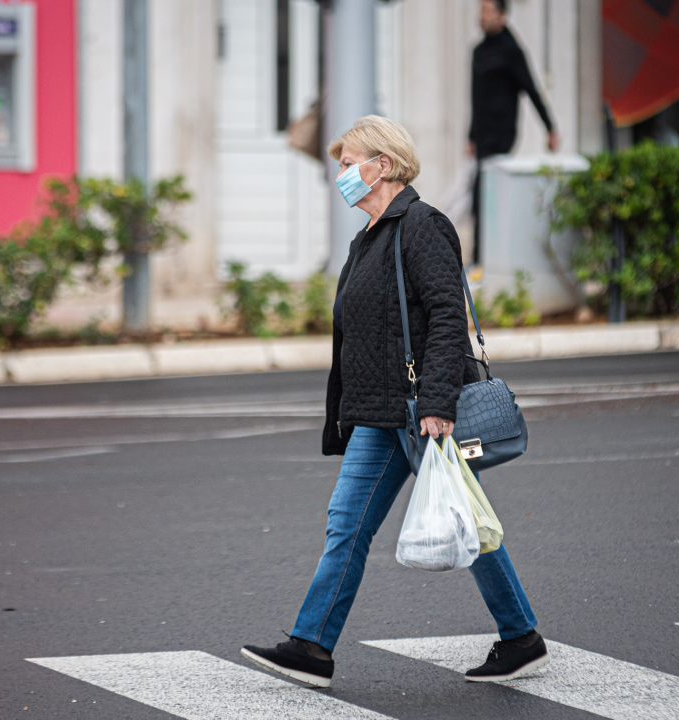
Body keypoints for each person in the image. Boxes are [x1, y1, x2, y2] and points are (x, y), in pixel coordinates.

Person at [241, 116, 548, 689]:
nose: (342, 175)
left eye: (349, 162)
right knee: (354, 525)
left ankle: (521, 638)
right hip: (379, 413)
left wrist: (437, 402)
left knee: (456, 521)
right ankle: (313, 647)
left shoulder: (422, 226)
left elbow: (446, 315)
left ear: (382, 165)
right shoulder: (371, 236)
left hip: (415, 412)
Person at [469, 0, 559, 266]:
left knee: (486, 194)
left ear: (502, 16)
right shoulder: (478, 51)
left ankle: (487, 258)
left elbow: (532, 89)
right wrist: (470, 135)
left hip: (502, 133)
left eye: (487, 12)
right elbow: (475, 98)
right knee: (480, 194)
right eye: (480, 11)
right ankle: (480, 257)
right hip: (482, 135)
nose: (482, 17)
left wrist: (550, 127)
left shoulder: (512, 50)